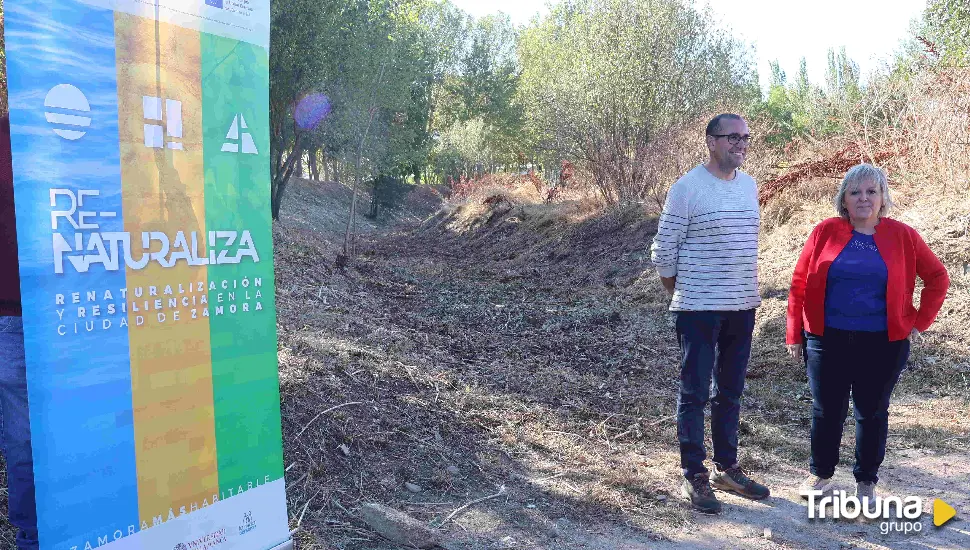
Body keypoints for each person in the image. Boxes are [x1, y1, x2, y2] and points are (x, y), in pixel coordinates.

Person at [786, 163, 949, 505]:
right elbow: (799, 283)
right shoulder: (824, 232)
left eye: (871, 192)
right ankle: (822, 474)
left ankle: (865, 481)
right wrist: (794, 334)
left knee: (871, 412)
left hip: (882, 342)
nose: (864, 198)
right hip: (826, 339)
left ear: (883, 198)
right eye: (855, 192)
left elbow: (937, 278)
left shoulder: (903, 236)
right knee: (826, 410)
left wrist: (919, 323)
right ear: (843, 199)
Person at [651, 113, 770, 514]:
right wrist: (683, 290)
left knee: (731, 393)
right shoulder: (687, 188)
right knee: (695, 392)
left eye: (745, 137)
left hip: (742, 306)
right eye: (732, 137)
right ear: (711, 141)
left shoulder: (749, 186)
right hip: (698, 308)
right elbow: (663, 250)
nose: (740, 143)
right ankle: (694, 474)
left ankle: (726, 469)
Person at [0, 114, 39, 549]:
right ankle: (33, 536)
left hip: (87, 314)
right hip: (15, 319)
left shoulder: (101, 133)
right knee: (25, 437)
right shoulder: (5, 136)